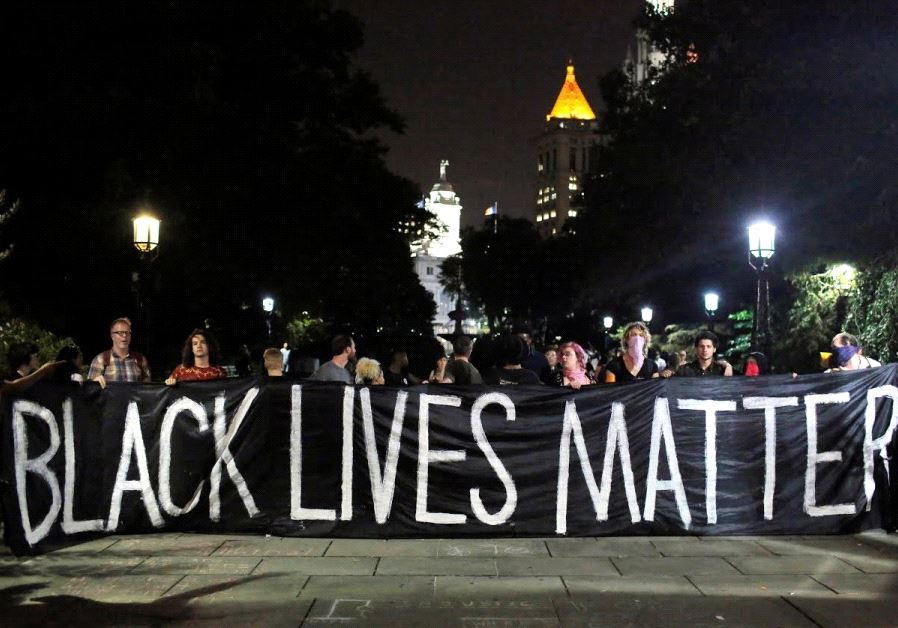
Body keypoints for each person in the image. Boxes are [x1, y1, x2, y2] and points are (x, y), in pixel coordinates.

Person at [88, 317, 151, 388]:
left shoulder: (141, 359)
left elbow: (148, 389)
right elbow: (89, 391)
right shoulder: (100, 360)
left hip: (134, 399)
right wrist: (94, 382)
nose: (124, 336)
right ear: (112, 336)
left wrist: (165, 386)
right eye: (120, 333)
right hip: (110, 399)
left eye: (127, 332)